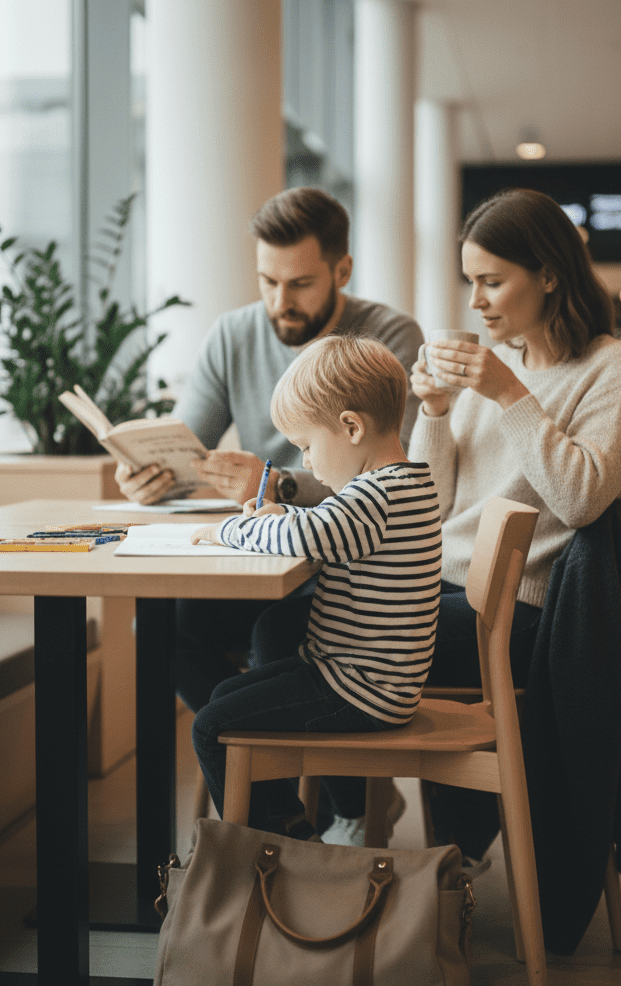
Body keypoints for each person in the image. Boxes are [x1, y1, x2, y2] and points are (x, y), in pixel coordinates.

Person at [253, 187, 621, 854]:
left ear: (549, 275)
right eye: (470, 282)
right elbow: (431, 503)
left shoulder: (613, 369)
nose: (476, 301)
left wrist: (507, 394)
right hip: (433, 589)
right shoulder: (493, 371)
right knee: (275, 624)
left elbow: (582, 498)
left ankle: (349, 823)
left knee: (297, 639)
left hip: (515, 616)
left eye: (492, 281)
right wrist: (436, 412)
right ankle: (340, 814)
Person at [115, 187, 424, 715]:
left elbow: (393, 469)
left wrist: (276, 484)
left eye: (301, 284)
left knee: (274, 634)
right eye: (269, 281)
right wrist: (150, 473)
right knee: (161, 628)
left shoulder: (387, 338)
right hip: (270, 549)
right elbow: (189, 445)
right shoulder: (234, 333)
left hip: (349, 573)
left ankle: (331, 794)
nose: (281, 302)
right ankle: (261, 787)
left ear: (342, 270)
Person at [188, 335, 441, 840]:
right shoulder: (404, 483)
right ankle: (286, 828)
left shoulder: (373, 497)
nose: (305, 464)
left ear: (350, 427)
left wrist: (229, 528)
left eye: (306, 445)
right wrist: (285, 513)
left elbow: (315, 532)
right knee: (224, 697)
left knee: (211, 724)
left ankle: (282, 851)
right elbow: (326, 524)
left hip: (358, 690)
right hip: (366, 681)